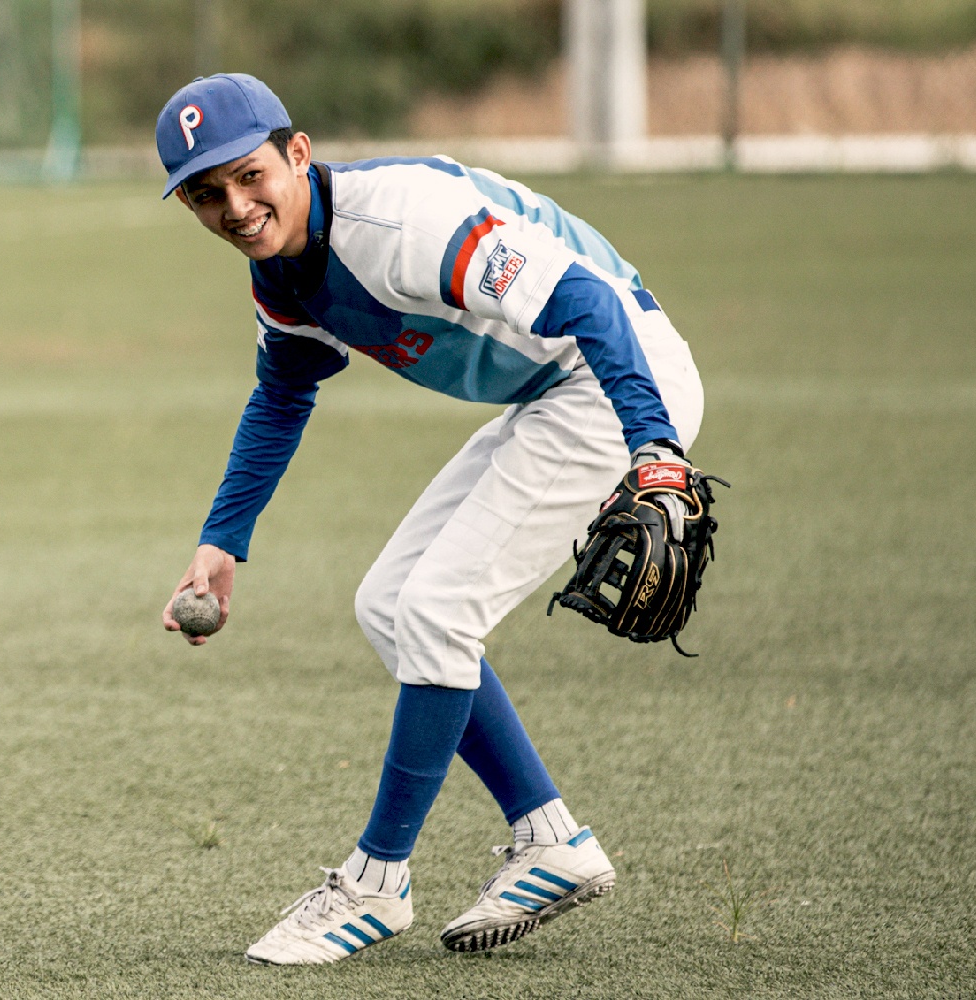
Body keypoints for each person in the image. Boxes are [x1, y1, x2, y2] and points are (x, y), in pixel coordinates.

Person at [149, 76, 704, 964]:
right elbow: (282, 392)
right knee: (389, 605)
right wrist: (222, 541)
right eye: (206, 195)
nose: (236, 207)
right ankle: (549, 839)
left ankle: (376, 882)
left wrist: (654, 447)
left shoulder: (402, 226)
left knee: (441, 611)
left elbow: (588, 305)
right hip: (550, 396)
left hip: (614, 381)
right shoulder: (283, 270)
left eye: (249, 176)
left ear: (297, 154)